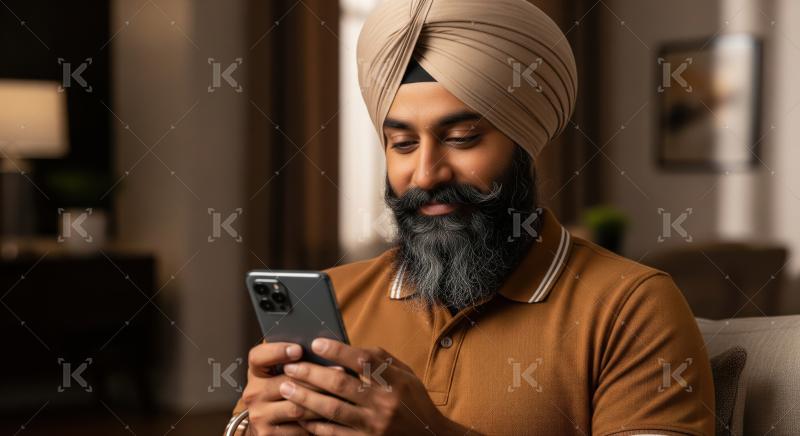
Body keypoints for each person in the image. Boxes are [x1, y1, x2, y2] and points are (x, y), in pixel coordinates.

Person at [226, 0, 714, 434]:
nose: (426, 174)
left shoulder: (633, 307)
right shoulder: (331, 301)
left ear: (525, 147)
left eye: (461, 139)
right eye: (402, 144)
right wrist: (251, 429)